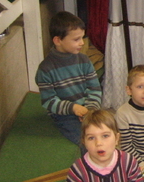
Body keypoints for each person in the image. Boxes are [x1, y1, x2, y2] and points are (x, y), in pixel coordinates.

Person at [35, 11, 101, 146]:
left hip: (88, 109)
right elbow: (49, 101)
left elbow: (94, 88)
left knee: (106, 131)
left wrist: (90, 108)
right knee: (87, 141)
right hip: (65, 115)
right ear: (58, 41)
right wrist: (73, 108)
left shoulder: (84, 60)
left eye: (82, 37)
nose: (82, 43)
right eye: (76, 39)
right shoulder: (45, 69)